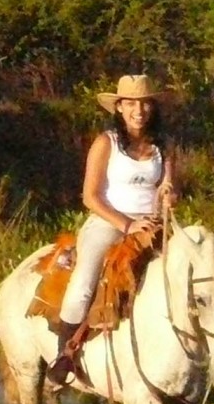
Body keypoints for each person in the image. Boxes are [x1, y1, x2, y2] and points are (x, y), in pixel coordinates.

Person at [47, 74, 179, 383]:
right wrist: (127, 224)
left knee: (191, 270)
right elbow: (90, 196)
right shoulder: (106, 143)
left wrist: (170, 195)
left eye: (145, 104)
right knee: (84, 281)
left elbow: (170, 187)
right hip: (109, 220)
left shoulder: (165, 145)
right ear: (119, 107)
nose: (139, 111)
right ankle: (64, 353)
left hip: (152, 222)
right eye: (131, 103)